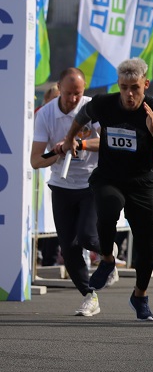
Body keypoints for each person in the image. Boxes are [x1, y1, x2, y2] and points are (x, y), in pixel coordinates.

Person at [60, 58, 153, 321]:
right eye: (124, 87)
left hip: (141, 182)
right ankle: (107, 260)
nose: (129, 94)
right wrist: (70, 138)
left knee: (146, 241)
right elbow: (83, 114)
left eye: (135, 87)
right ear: (119, 85)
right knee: (108, 206)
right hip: (109, 178)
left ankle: (139, 295)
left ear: (145, 84)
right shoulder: (104, 103)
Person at [30, 68, 103, 316]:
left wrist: (81, 143)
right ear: (59, 88)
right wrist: (58, 151)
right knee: (68, 247)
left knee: (87, 237)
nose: (73, 99)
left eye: (78, 93)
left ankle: (108, 250)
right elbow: (36, 161)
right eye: (69, 93)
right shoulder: (45, 115)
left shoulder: (91, 107)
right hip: (61, 185)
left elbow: (107, 142)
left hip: (91, 183)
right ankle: (89, 295)